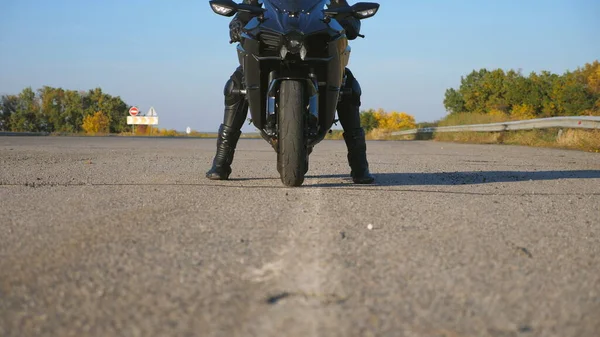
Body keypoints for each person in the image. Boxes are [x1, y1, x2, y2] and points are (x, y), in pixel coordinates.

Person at [206, 0, 375, 184]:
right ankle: (221, 162)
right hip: (272, 39)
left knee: (348, 88)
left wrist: (350, 21)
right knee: (235, 87)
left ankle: (360, 166)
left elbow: (342, 9)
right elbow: (247, 7)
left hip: (315, 40)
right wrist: (237, 23)